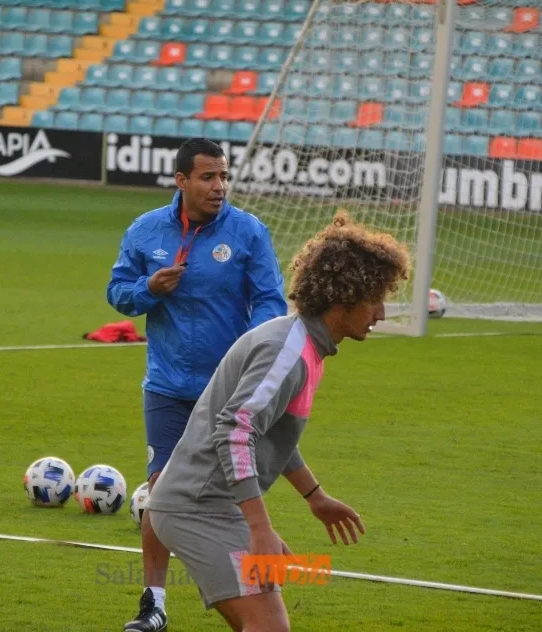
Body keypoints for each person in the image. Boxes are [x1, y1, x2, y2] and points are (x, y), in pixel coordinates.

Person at [146, 211, 411, 631]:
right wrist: (260, 528)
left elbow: (271, 433)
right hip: (196, 508)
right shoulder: (288, 353)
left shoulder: (304, 346)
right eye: (375, 298)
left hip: (214, 505)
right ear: (344, 295)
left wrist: (315, 497)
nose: (381, 312)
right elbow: (235, 432)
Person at [107, 138, 287, 632]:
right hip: (166, 387)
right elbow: (117, 293)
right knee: (159, 492)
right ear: (181, 180)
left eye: (223, 176)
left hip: (226, 392)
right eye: (208, 177)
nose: (219, 186)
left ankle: (256, 598)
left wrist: (252, 352)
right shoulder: (145, 231)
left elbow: (271, 301)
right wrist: (149, 289)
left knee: (234, 495)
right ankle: (154, 603)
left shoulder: (248, 232)